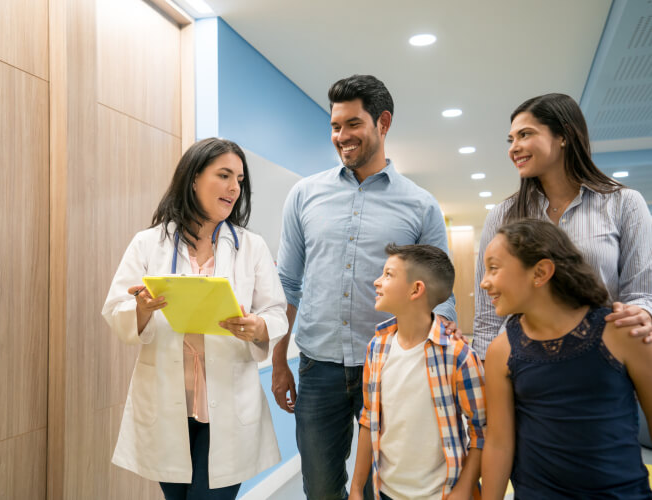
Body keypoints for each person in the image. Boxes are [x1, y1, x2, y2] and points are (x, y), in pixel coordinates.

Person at [273, 74, 459, 499]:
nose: (342, 136)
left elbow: (439, 297)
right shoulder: (304, 195)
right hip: (318, 368)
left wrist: (438, 365)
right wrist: (279, 359)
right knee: (320, 488)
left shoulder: (420, 204)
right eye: (336, 126)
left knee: (384, 484)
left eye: (353, 124)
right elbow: (287, 283)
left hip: (394, 368)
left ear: (383, 122)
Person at [102, 138, 288, 500]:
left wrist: (258, 326)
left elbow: (275, 310)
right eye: (223, 175)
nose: (234, 187)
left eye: (239, 179)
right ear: (193, 179)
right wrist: (140, 310)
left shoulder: (250, 246)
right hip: (167, 402)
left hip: (227, 404)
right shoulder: (148, 243)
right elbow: (114, 309)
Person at [480, 219, 652, 498]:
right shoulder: (502, 350)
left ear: (541, 272)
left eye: (493, 268)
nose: (484, 281)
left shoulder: (621, 332)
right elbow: (499, 443)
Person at [473, 93, 652, 359]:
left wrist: (642, 313)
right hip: (523, 366)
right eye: (511, 139)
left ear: (564, 136)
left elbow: (641, 293)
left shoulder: (623, 203)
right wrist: (485, 372)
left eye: (525, 134)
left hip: (602, 360)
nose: (513, 147)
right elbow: (487, 316)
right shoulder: (502, 216)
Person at [349, 244, 485, 500]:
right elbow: (368, 419)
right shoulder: (377, 348)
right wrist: (357, 487)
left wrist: (465, 488)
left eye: (388, 274)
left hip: (441, 495)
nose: (377, 281)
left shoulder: (458, 355)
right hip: (386, 493)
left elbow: (482, 432)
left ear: (416, 289)